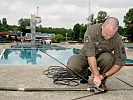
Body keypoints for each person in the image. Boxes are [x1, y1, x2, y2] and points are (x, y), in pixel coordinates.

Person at [67, 17, 126, 89]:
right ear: (102, 26)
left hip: (103, 57)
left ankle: (101, 81)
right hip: (87, 54)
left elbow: (119, 63)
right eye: (106, 34)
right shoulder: (91, 31)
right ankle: (85, 74)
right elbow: (91, 56)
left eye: (111, 36)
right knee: (72, 66)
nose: (108, 37)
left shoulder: (118, 39)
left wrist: (103, 76)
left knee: (108, 59)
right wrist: (96, 74)